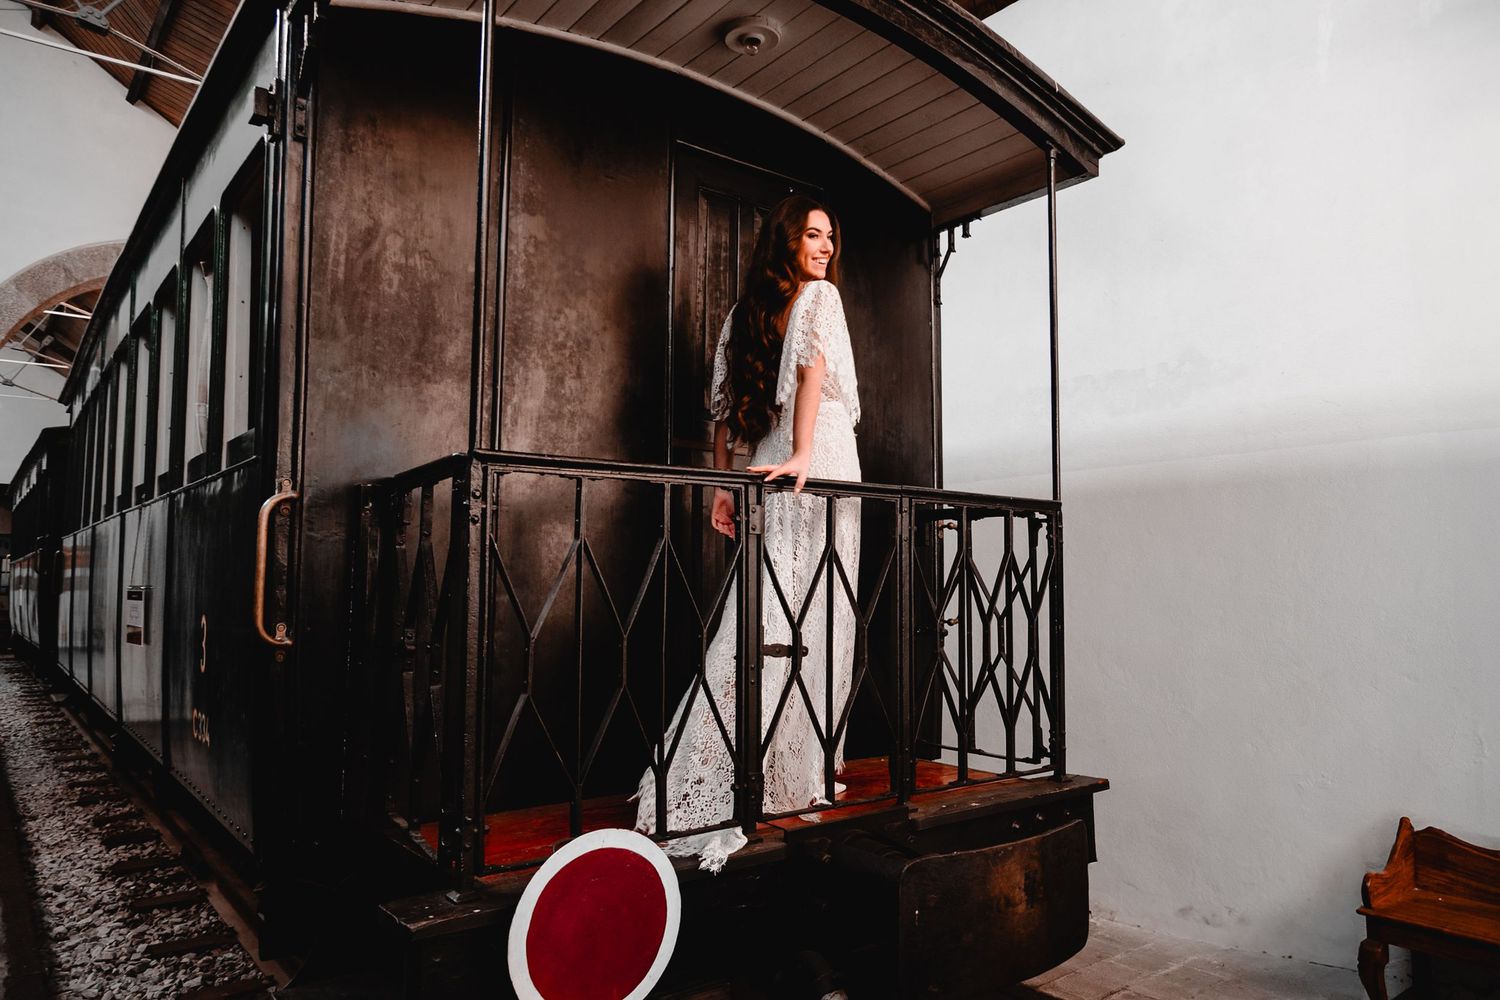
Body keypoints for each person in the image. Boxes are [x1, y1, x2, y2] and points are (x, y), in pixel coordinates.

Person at [633, 194, 862, 872]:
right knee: (812, 611)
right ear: (787, 239)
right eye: (813, 235)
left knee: (773, 610)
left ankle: (784, 764)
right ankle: (788, 769)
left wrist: (724, 480)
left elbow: (726, 409)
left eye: (831, 238)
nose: (825, 249)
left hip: (771, 462)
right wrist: (798, 452)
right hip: (810, 461)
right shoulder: (820, 300)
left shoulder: (743, 314)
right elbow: (813, 373)